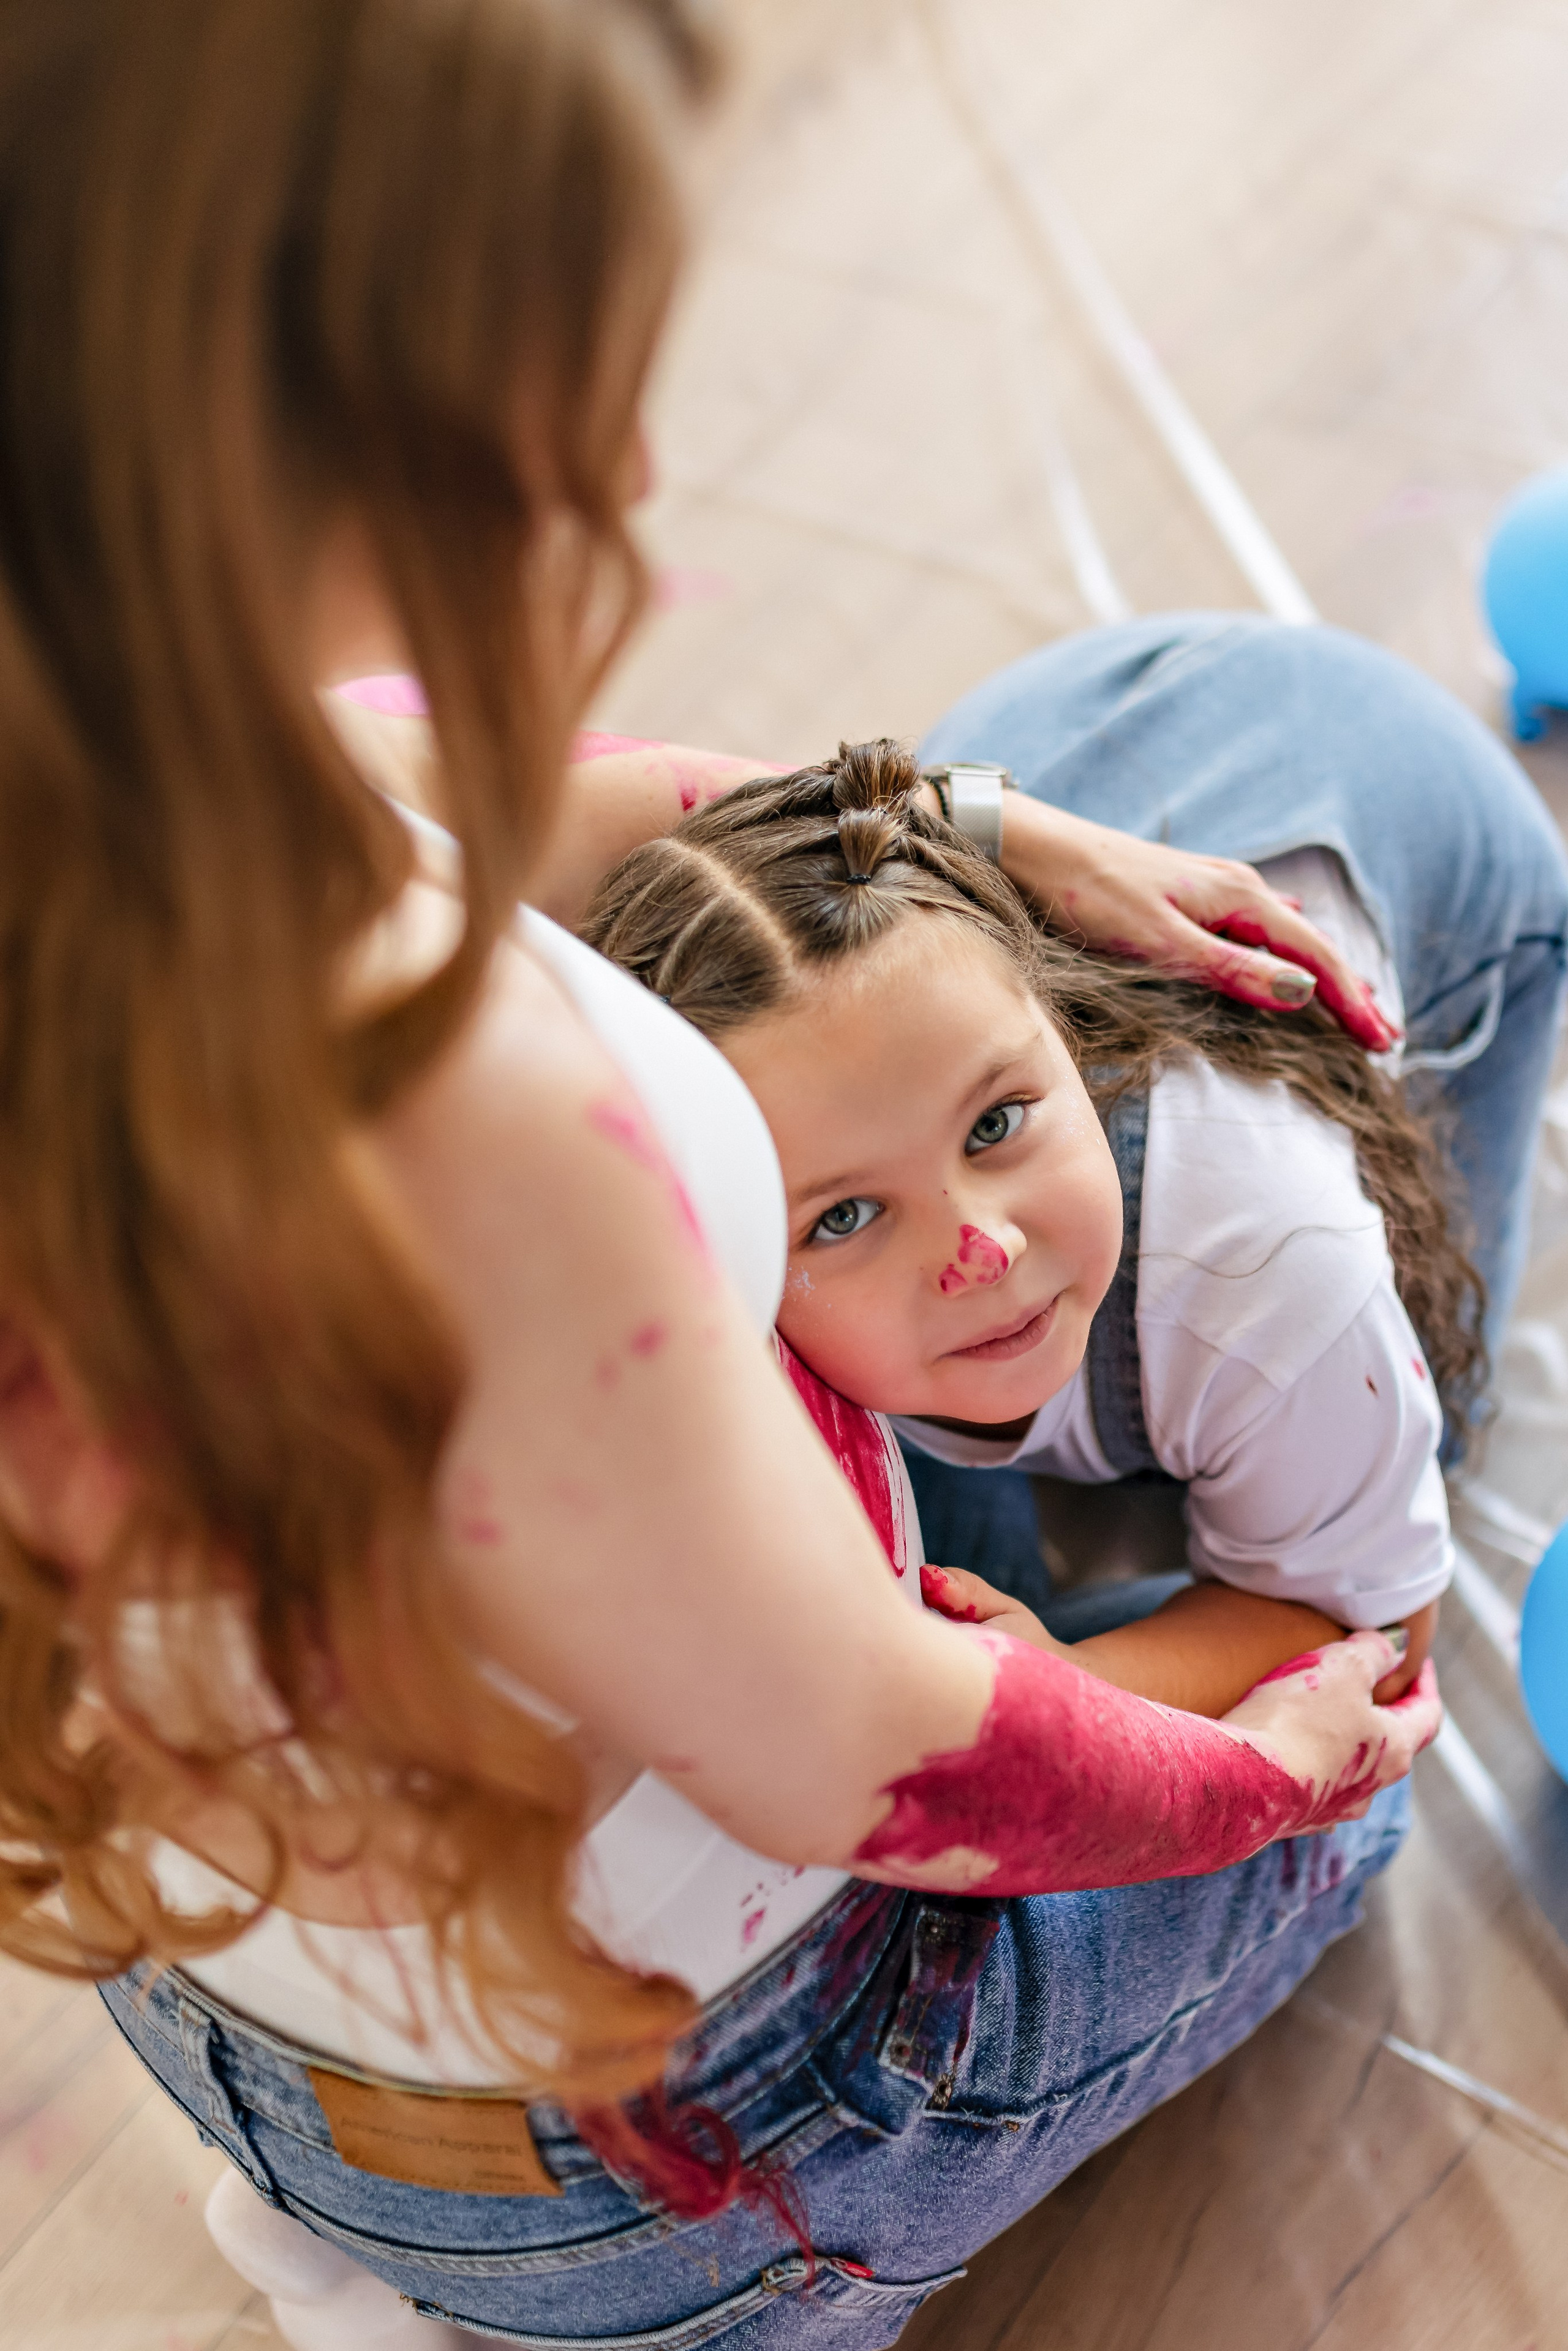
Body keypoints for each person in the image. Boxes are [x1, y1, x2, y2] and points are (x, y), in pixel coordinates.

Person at [0, 3, 1477, 2345]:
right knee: (1362, 1768)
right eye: (539, 332)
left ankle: (370, 2238)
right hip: (696, 2124)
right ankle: (698, 2298)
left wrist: (975, 825)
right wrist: (1269, 1749)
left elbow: (544, 796)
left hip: (243, 1992)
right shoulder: (459, 1128)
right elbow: (880, 1747)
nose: (591, 442)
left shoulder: (106, 768)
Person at [582, 738, 1486, 1716]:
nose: (985, 1250)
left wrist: (1072, 1691)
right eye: (845, 1215)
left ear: (1053, 1011)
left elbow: (1380, 1631)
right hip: (1117, 761)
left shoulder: (1273, 1279)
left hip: (1387, 800)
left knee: (1423, 1441)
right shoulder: (688, 1209)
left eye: (996, 1123)